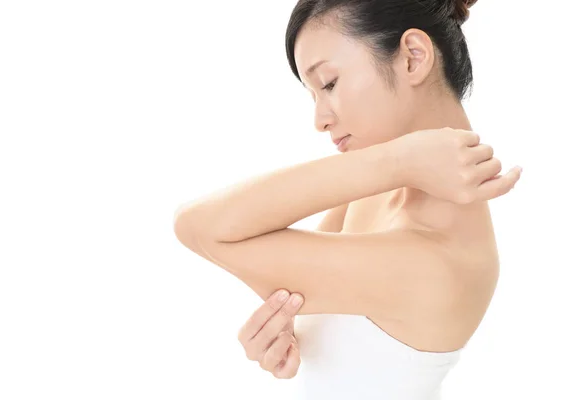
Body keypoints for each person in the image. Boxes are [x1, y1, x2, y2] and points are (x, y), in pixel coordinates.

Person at [174, 0, 522, 398]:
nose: (319, 119)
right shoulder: (381, 188)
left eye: (329, 84)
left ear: (413, 57)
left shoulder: (441, 261)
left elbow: (197, 226)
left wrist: (397, 161)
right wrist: (294, 337)